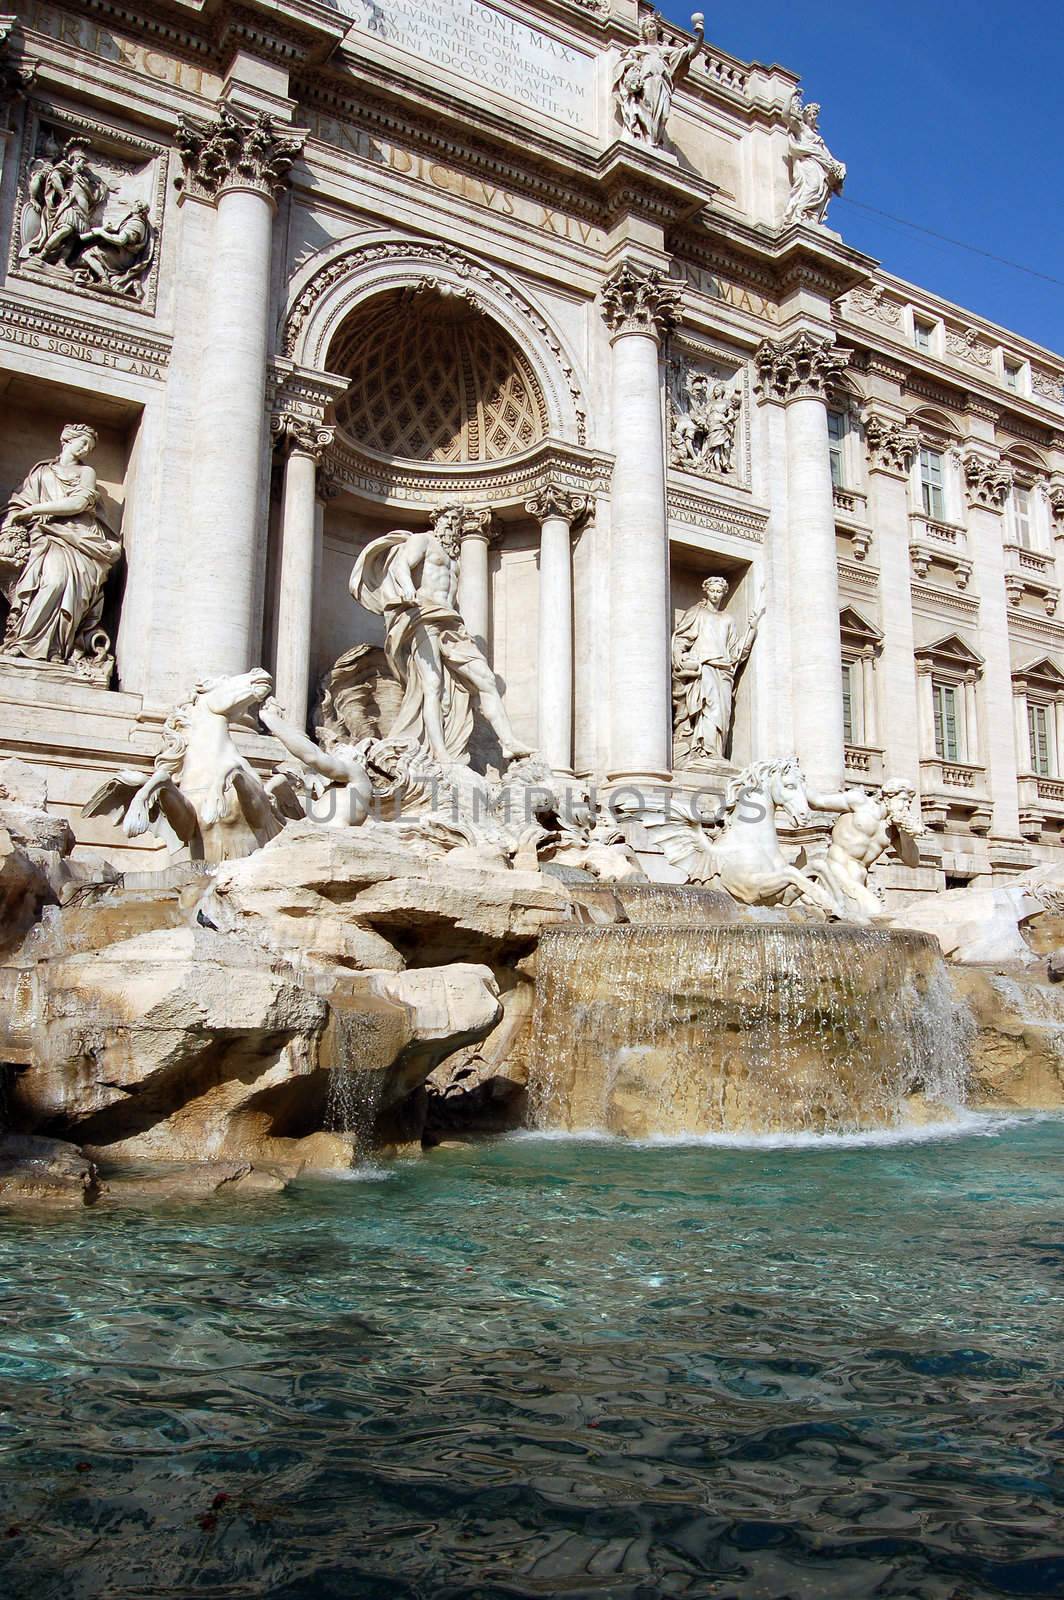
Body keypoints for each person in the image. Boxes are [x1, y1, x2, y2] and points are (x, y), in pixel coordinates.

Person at [350, 510, 532, 767]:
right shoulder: (422, 540)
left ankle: (509, 742)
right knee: (433, 686)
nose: (453, 526)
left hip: (450, 622)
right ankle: (440, 753)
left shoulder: (454, 559)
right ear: (439, 521)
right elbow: (401, 565)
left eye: (457, 521)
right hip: (423, 615)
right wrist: (408, 590)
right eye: (450, 519)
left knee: (487, 680)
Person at [1, 424, 122, 664]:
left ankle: (57, 649)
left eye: (90, 446)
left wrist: (35, 509)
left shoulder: (86, 472)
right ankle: (24, 642)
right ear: (66, 439)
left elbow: (78, 504)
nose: (86, 449)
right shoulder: (40, 473)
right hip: (43, 538)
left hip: (78, 540)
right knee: (51, 583)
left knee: (65, 587)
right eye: (83, 442)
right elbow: (17, 505)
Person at [672, 576, 763, 763]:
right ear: (706, 591)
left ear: (724, 593)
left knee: (722, 715)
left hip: (723, 672)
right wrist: (679, 655)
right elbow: (682, 638)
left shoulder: (727, 619)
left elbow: (736, 652)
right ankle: (703, 749)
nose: (715, 595)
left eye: (718, 591)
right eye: (712, 591)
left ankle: (716, 752)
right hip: (704, 668)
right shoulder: (696, 612)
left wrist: (752, 630)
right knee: (708, 708)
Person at [614, 13, 704, 147]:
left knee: (663, 115)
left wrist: (700, 35)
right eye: (647, 28)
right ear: (644, 32)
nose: (650, 29)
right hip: (647, 82)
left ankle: (653, 141)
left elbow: (691, 53)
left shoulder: (667, 50)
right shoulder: (639, 50)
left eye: (652, 26)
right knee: (646, 110)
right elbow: (624, 63)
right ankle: (648, 140)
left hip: (662, 84)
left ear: (657, 28)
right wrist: (634, 65)